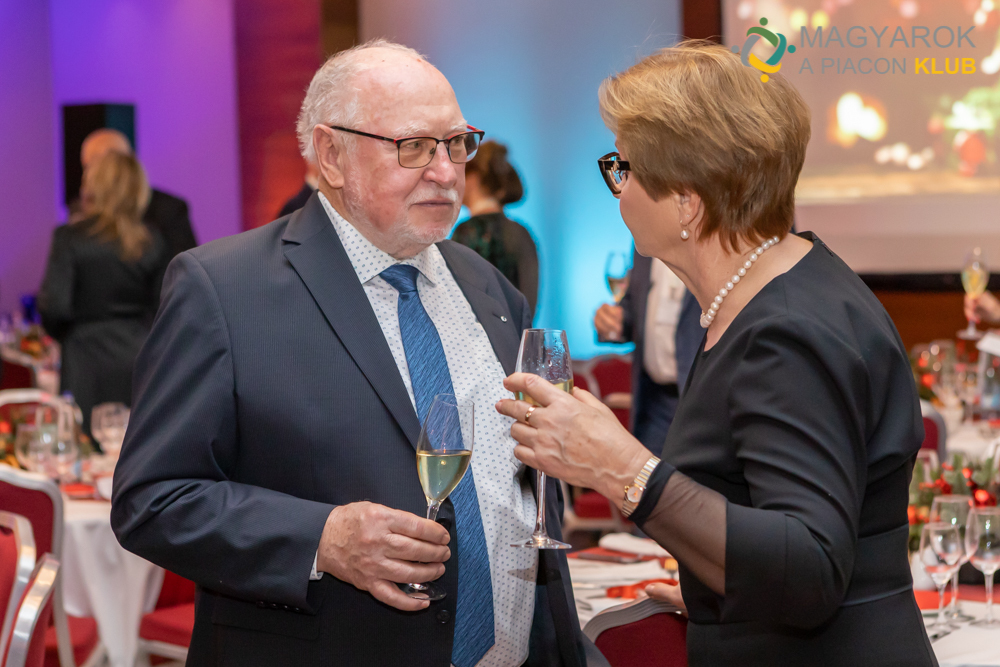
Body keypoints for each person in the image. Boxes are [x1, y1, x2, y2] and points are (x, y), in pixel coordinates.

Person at [111, 40, 602, 667]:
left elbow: (524, 491)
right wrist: (323, 539)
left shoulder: (487, 286)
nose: (446, 172)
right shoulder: (224, 289)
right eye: (414, 146)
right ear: (332, 155)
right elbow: (152, 499)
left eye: (456, 144)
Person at [496, 41, 934, 666]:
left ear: (687, 201)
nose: (618, 192)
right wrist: (716, 585)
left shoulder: (784, 333)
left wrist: (622, 469)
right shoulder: (779, 290)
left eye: (624, 168)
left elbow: (811, 566)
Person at [38, 152, 169, 438]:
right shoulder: (152, 241)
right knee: (136, 442)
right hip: (138, 353)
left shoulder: (70, 238)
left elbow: (55, 307)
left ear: (93, 187)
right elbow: (163, 308)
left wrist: (67, 336)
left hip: (85, 359)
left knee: (84, 443)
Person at [593, 252, 702, 455]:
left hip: (698, 399)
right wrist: (612, 322)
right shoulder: (643, 246)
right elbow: (633, 309)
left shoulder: (710, 239)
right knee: (646, 473)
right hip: (652, 402)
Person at [80, 128, 197, 259]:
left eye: (113, 164)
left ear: (130, 163)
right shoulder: (79, 210)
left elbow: (185, 265)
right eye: (90, 166)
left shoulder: (169, 209)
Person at [452, 141, 539, 317]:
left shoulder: (467, 231)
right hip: (519, 333)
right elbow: (528, 307)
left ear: (474, 177)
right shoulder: (521, 233)